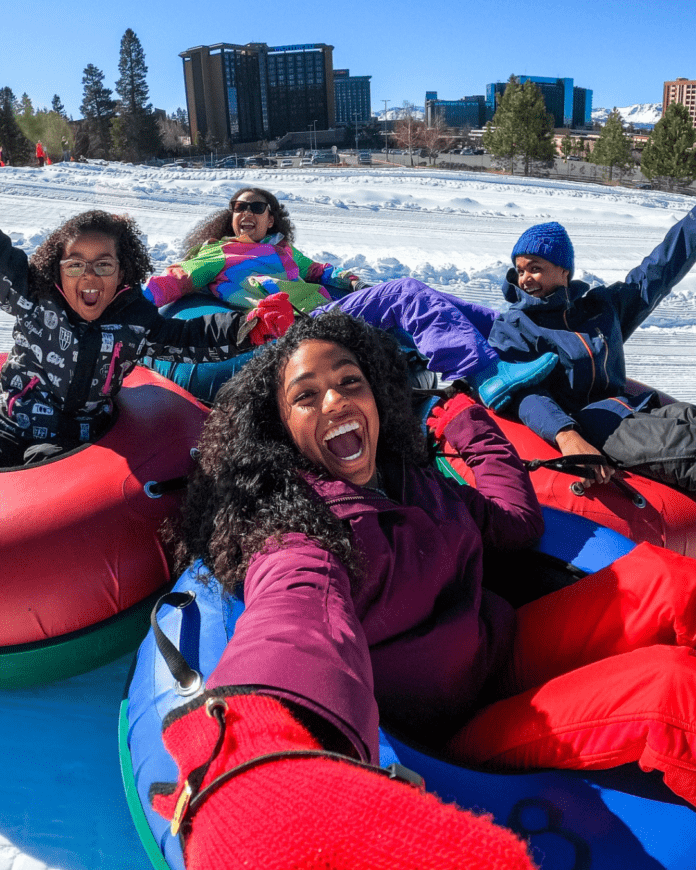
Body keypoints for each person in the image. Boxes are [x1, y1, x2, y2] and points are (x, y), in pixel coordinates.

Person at [153, 310, 696, 869]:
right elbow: (293, 619)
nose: (336, 402)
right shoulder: (301, 531)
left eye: (349, 382)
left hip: (498, 649)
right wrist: (250, 742)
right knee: (672, 689)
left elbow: (513, 522)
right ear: (280, 425)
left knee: (669, 578)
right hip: (451, 732)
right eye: (307, 396)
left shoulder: (407, 478)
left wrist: (466, 421)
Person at [146, 186, 558, 411]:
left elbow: (319, 271)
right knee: (406, 291)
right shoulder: (218, 253)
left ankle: (524, 337)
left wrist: (349, 278)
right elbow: (171, 281)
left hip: (326, 310)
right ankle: (485, 377)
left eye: (256, 206)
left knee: (433, 297)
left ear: (272, 217)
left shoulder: (283, 251)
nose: (244, 213)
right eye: (238, 207)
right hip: (297, 327)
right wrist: (127, 304)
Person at [0, 209, 294, 466]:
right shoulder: (35, 295)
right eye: (75, 265)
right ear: (57, 269)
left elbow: (184, 339)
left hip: (78, 439)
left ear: (122, 271)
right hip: (12, 422)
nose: (88, 276)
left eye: (103, 265)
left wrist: (244, 329)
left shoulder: (134, 319)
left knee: (50, 485)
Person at [482, 214, 696, 490]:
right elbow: (525, 392)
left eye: (534, 268)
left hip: (631, 408)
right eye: (520, 271)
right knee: (687, 447)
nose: (525, 279)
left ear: (564, 272)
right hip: (590, 423)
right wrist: (566, 435)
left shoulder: (599, 309)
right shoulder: (515, 326)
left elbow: (660, 269)